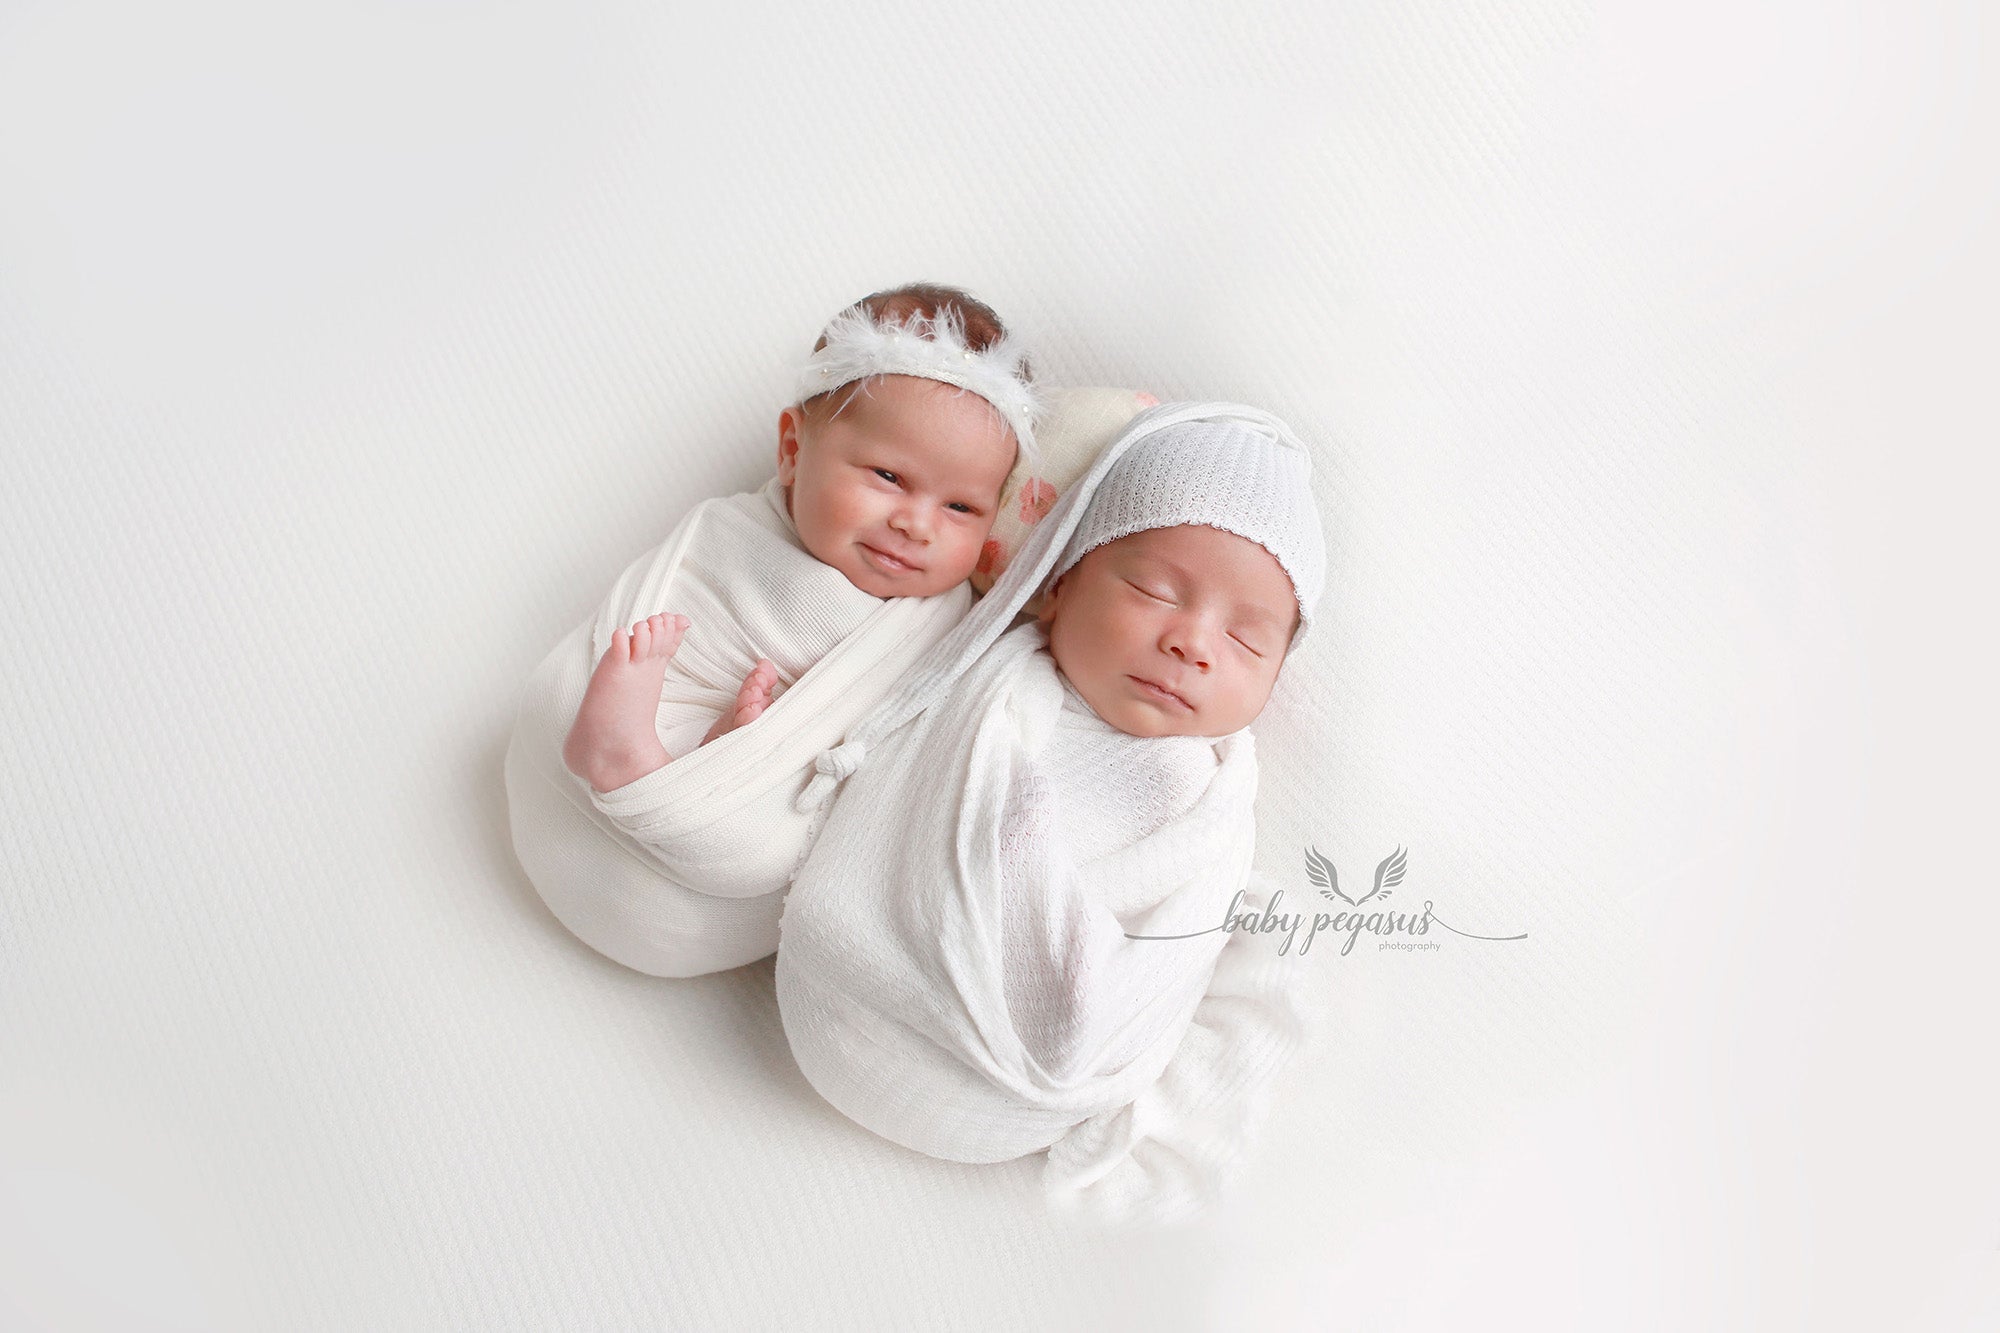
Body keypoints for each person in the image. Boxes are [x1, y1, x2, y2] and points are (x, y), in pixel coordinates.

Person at [775, 403, 1326, 1225]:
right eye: (1154, 590)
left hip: (1015, 1100)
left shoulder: (1208, 799)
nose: (1194, 643)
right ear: (1058, 585)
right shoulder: (982, 681)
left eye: (1247, 640)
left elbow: (1173, 935)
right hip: (842, 992)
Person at [504, 283, 1039, 978]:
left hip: (710, 870)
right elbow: (674, 597)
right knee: (568, 691)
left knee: (761, 846)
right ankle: (638, 748)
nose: (916, 523)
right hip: (578, 775)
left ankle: (686, 759)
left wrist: (750, 746)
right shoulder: (737, 531)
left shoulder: (940, 622)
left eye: (961, 507)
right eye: (888, 475)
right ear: (792, 450)